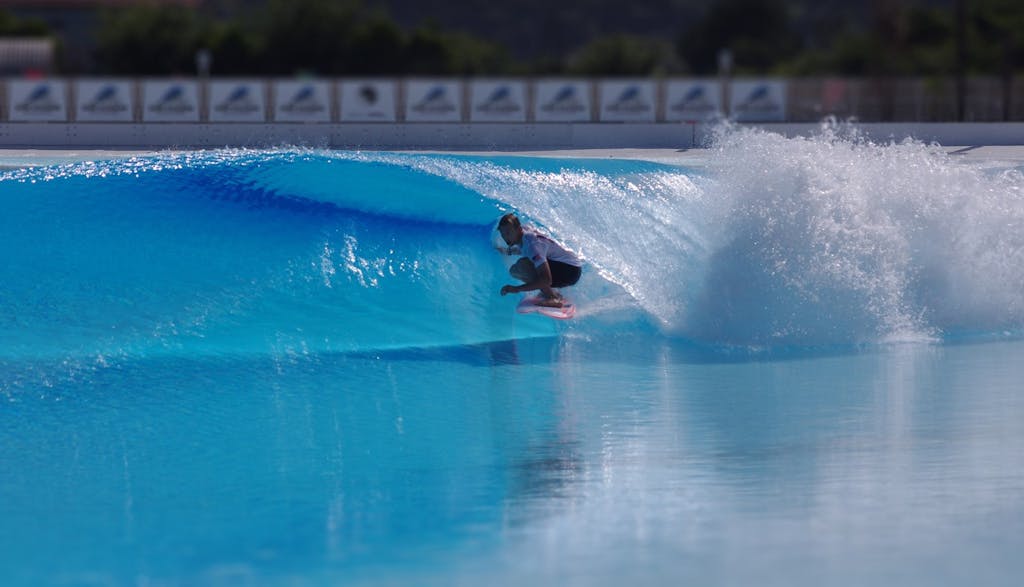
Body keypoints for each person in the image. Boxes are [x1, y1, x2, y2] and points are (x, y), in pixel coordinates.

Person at [497, 213, 582, 307]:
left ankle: (553, 298)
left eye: (508, 233)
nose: (505, 237)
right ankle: (551, 293)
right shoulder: (523, 233)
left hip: (570, 271)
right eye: (503, 234)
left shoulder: (532, 244)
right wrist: (507, 251)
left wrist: (516, 289)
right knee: (515, 270)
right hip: (565, 265)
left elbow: (546, 280)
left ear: (518, 229)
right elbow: (525, 249)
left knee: (523, 266)